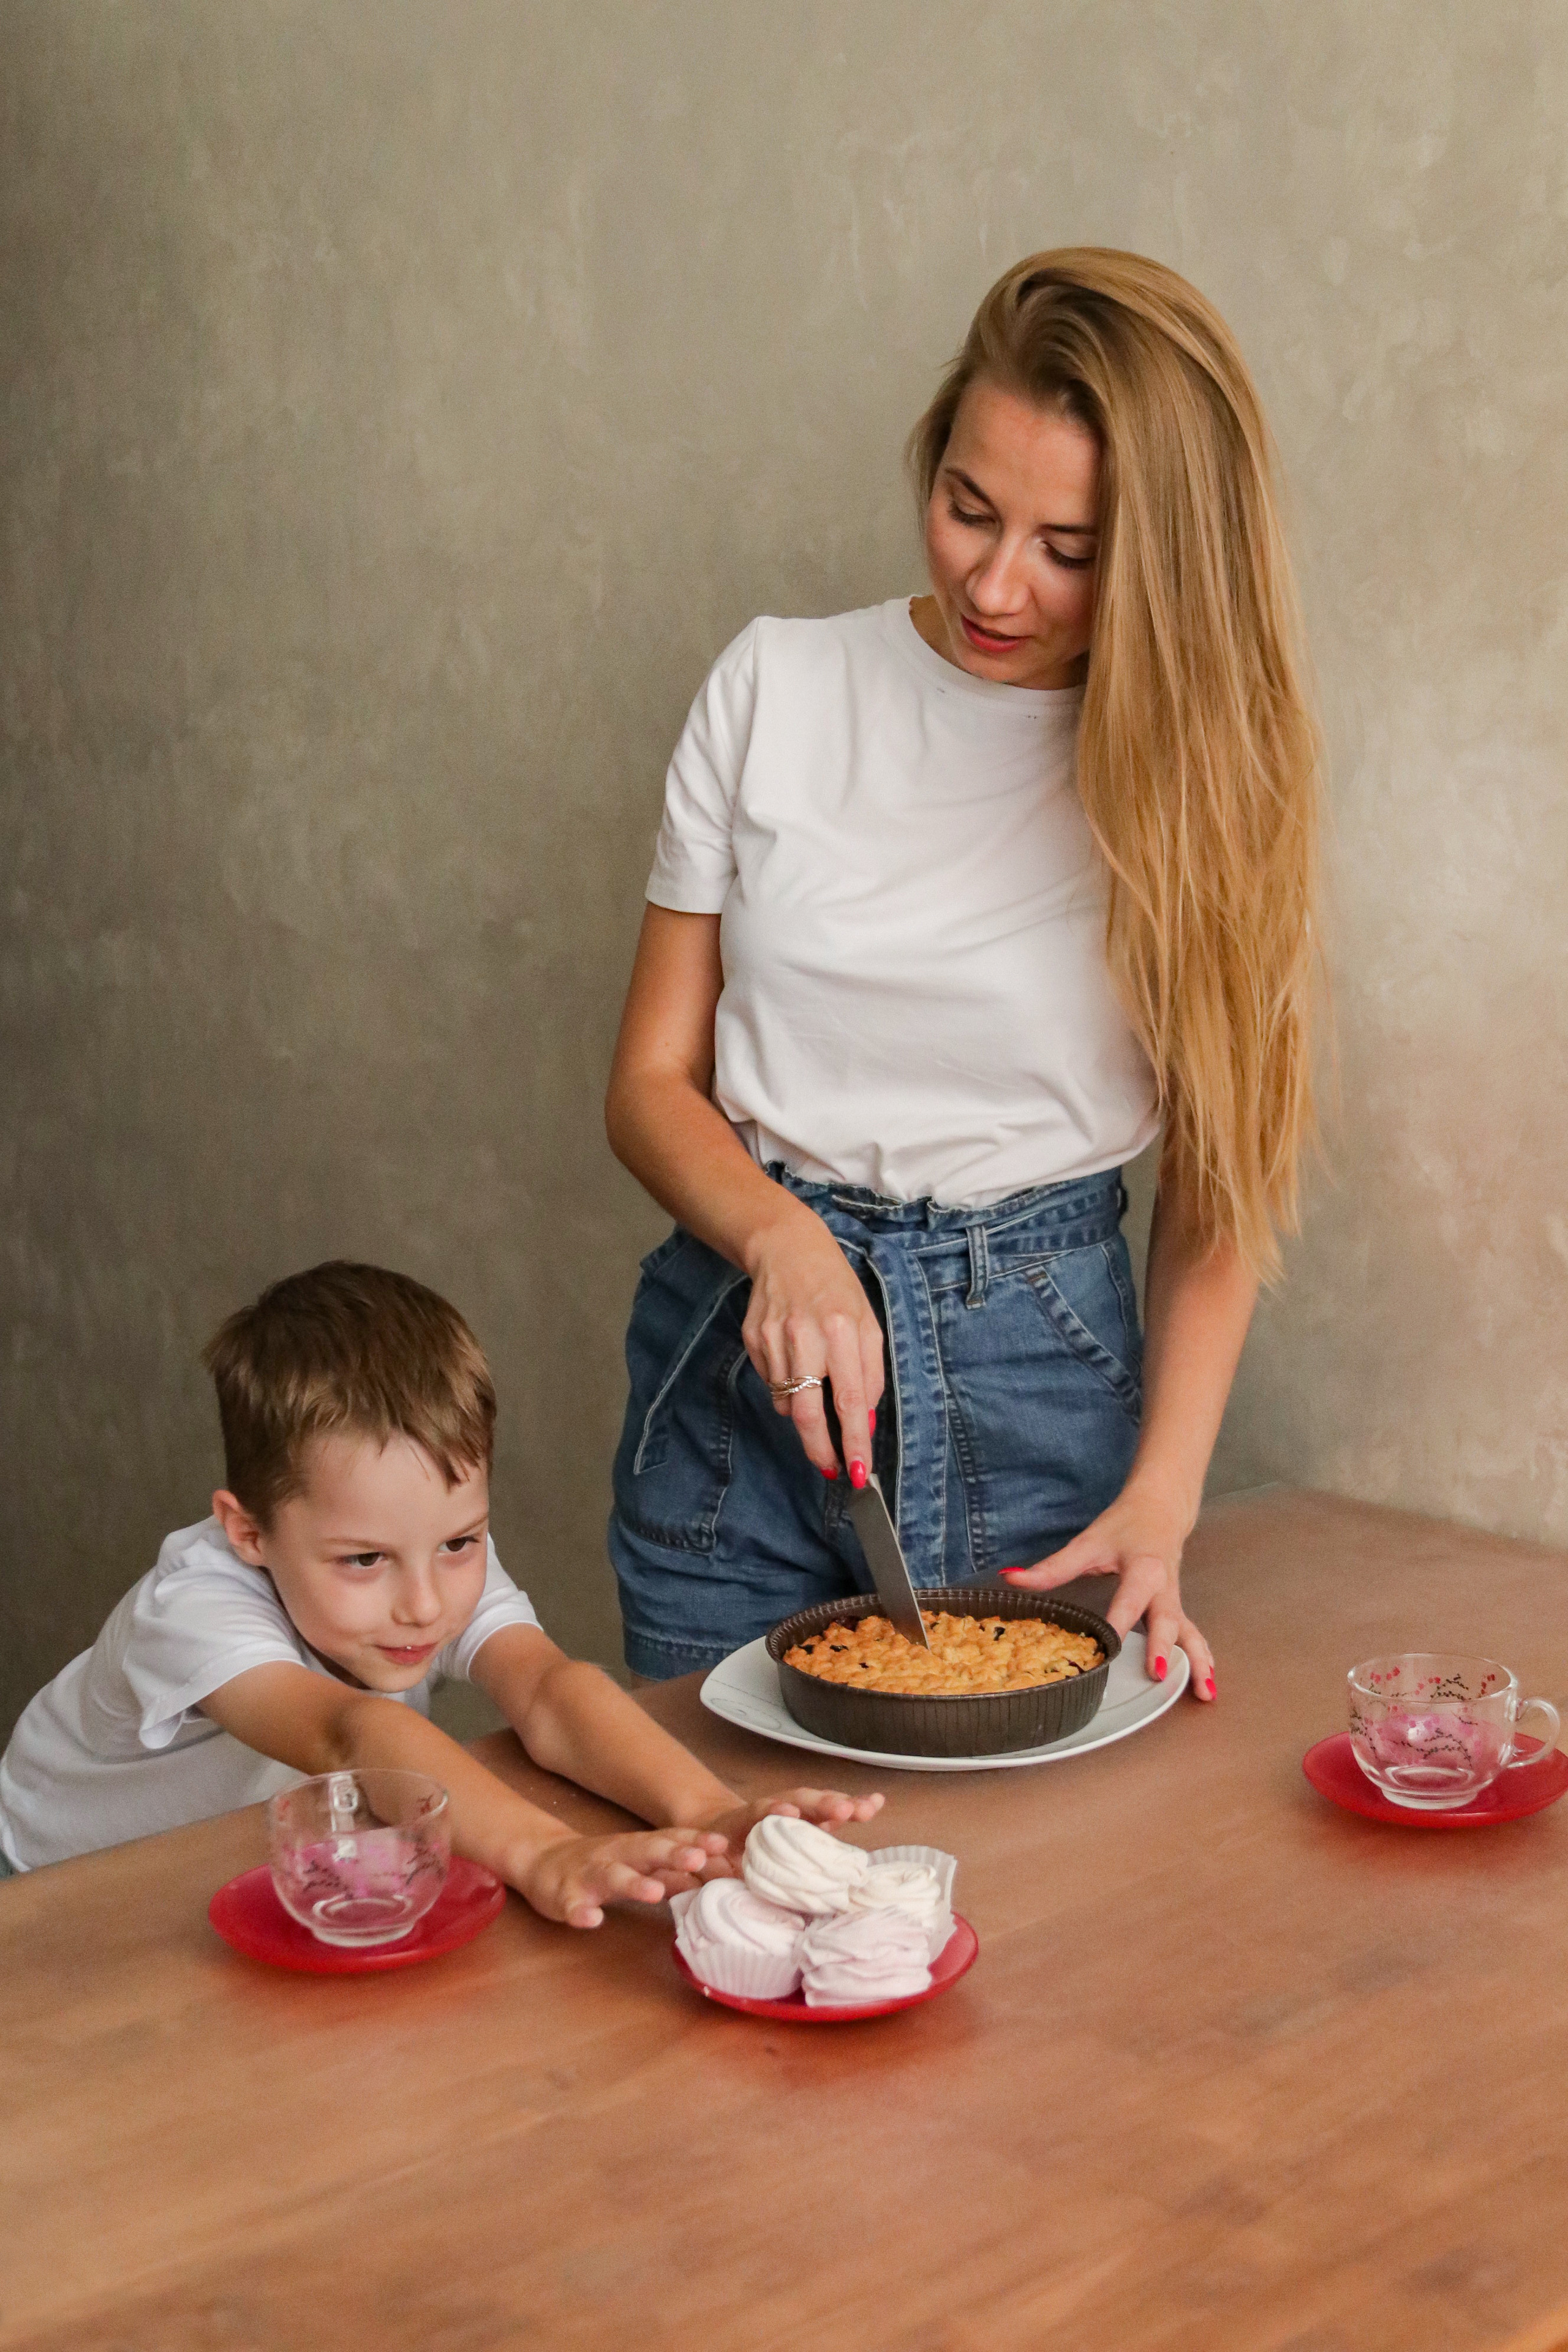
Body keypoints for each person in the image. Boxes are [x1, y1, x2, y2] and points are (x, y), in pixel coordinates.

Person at [605, 248, 1319, 1697]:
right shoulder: (775, 688)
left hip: (1035, 1373)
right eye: (967, 510)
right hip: (738, 1367)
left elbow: (1219, 1182)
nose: (997, 584)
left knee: (1028, 1890)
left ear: (1164, 560)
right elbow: (646, 1084)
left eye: (1071, 549)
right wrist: (780, 1243)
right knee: (730, 1868)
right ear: (932, 457)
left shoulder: (1200, 783)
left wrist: (1164, 1499)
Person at [0, 1262, 881, 1912]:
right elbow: (356, 1734)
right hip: (54, 1896)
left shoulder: (420, 1557)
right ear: (249, 1532)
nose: (425, 1603)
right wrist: (546, 1856)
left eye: (461, 1540)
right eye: (362, 1561)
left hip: (250, 1868)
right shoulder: (191, 1608)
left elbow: (547, 1690)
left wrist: (714, 1814)